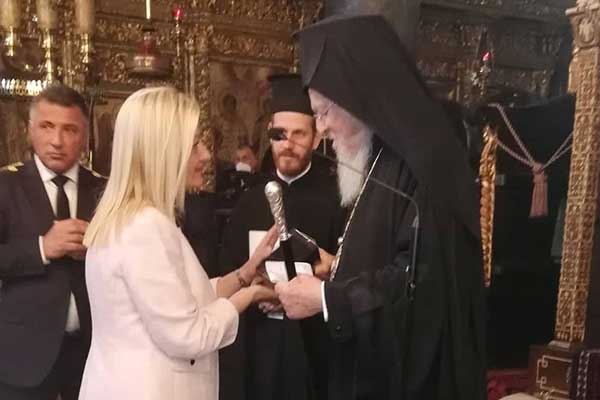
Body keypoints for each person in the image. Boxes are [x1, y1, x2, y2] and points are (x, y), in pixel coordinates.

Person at [275, 15, 486, 400]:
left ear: (359, 97)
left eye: (324, 112)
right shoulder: (380, 156)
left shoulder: (425, 160)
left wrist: (326, 299)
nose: (321, 128)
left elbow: (422, 286)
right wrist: (337, 268)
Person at [79, 87, 278, 400]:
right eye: (194, 145)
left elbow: (178, 300)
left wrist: (244, 274)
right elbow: (188, 334)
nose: (206, 155)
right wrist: (250, 295)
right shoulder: (144, 227)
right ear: (164, 152)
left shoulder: (131, 218)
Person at [219, 73, 344, 400]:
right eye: (279, 134)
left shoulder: (337, 201)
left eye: (298, 134)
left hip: (314, 350)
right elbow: (227, 274)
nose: (287, 144)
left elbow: (348, 274)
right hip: (258, 348)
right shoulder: (248, 201)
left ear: (316, 138)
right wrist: (258, 291)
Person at [0, 84, 105, 400]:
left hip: (93, 353)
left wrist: (98, 251)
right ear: (29, 129)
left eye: (69, 130)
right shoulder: (6, 185)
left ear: (84, 136)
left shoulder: (104, 190)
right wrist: (42, 248)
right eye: (47, 126)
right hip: (23, 356)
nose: (57, 141)